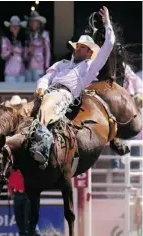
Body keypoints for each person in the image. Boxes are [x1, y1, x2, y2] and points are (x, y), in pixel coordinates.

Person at [29, 6, 115, 169]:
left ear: (90, 53)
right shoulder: (62, 64)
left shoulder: (90, 67)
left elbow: (108, 45)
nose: (78, 48)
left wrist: (107, 24)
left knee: (49, 105)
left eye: (83, 47)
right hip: (47, 92)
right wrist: (41, 86)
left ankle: (43, 146)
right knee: (24, 109)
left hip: (63, 94)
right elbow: (46, 77)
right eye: (78, 46)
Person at [7, 169, 41, 236]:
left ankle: (35, 234)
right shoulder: (14, 171)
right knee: (19, 218)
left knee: (28, 217)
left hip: (28, 194)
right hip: (18, 195)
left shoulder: (29, 171)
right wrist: (11, 192)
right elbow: (10, 182)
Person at [24, 11, 51, 82]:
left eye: (35, 22)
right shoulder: (28, 35)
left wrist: (47, 66)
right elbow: (26, 50)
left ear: (39, 23)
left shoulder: (44, 34)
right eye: (31, 22)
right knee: (27, 87)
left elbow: (47, 51)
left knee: (38, 86)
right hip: (29, 65)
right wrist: (28, 51)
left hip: (39, 64)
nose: (33, 24)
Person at [1, 16, 27, 83]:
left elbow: (25, 57)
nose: (15, 28)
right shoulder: (6, 40)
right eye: (13, 26)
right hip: (10, 72)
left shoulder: (22, 41)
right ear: (10, 28)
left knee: (21, 92)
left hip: (21, 71)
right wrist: (10, 50)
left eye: (17, 27)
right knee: (10, 92)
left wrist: (27, 51)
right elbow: (3, 56)